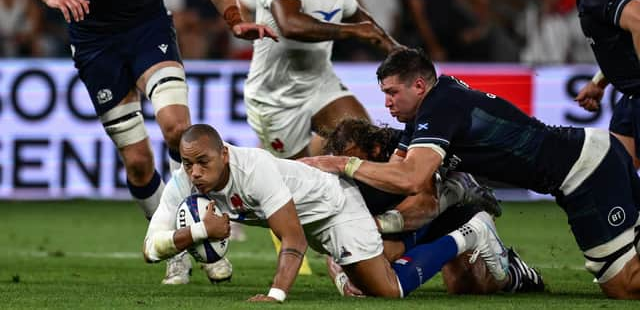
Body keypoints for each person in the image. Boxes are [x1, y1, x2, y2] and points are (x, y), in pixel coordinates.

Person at [0, 0, 276, 285]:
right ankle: (174, 242)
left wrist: (234, 20)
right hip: (96, 46)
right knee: (138, 162)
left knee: (178, 130)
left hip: (149, 34)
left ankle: (199, 238)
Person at [302, 47, 640, 299]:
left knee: (623, 286)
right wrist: (369, 221)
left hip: (587, 169)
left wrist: (340, 164)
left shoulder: (441, 105)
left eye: (392, 92)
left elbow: (412, 178)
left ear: (419, 86)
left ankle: (470, 217)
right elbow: (398, 177)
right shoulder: (424, 116)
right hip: (584, 160)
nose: (387, 103)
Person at [143, 123, 511, 302]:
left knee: (387, 290)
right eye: (189, 165)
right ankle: (444, 212)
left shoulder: (253, 169)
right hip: (312, 217)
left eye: (203, 162)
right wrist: (196, 233)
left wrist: (276, 295)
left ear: (224, 153)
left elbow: (292, 238)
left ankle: (471, 230)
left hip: (335, 206)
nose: (195, 173)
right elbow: (149, 249)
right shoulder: (185, 182)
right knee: (372, 274)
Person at [321, 117, 544, 296]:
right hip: (408, 225)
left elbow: (425, 206)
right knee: (370, 257)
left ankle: (514, 274)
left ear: (376, 150)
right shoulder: (341, 177)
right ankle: (457, 190)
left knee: (468, 287)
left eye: (352, 162)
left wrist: (374, 224)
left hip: (446, 215)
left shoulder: (407, 152)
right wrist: (343, 279)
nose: (348, 170)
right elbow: (336, 236)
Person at [244, 0, 399, 159]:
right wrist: (352, 32)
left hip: (319, 82)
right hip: (275, 97)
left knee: (367, 144)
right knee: (296, 178)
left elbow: (358, 15)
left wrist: (394, 47)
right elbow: (290, 24)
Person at [540, 0, 640, 168]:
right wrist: (599, 81)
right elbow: (622, 40)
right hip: (632, 94)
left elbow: (638, 20)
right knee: (617, 174)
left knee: (616, 177)